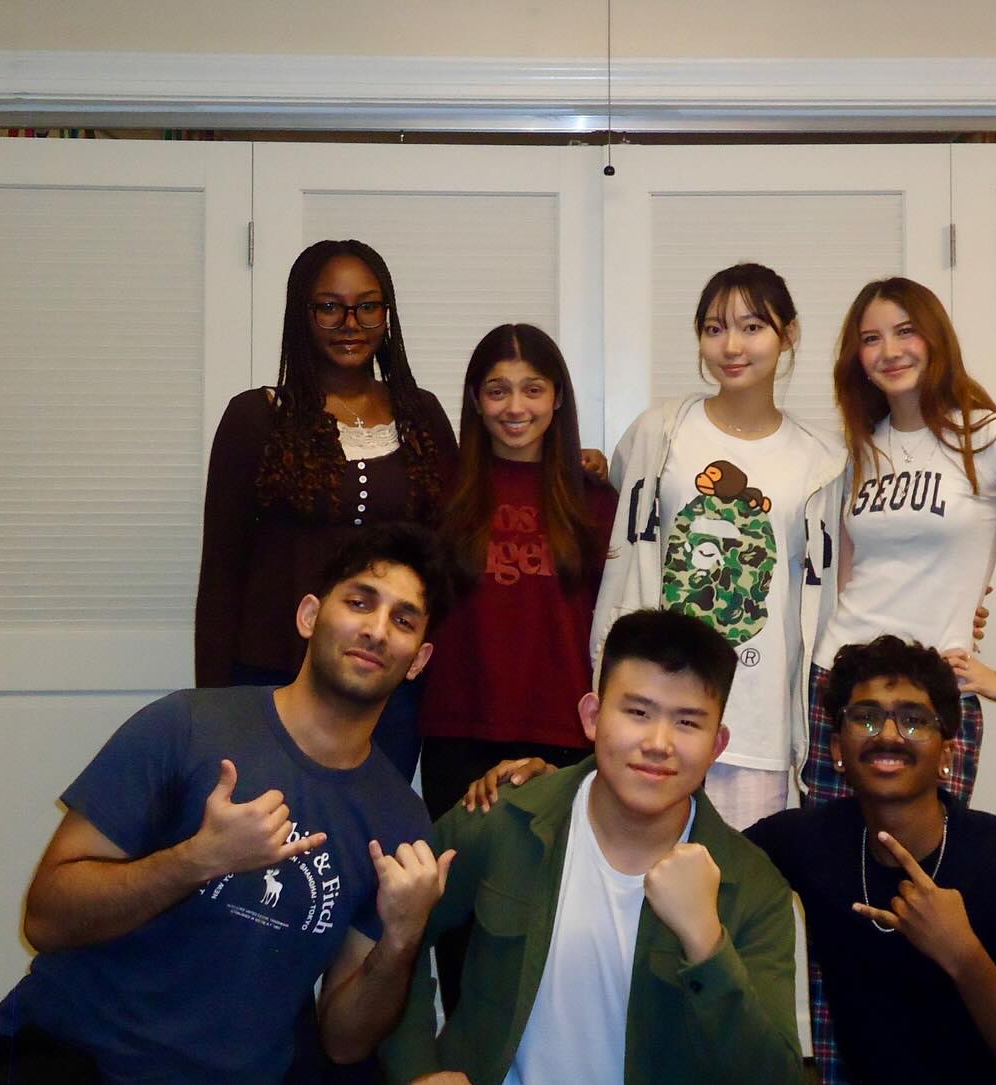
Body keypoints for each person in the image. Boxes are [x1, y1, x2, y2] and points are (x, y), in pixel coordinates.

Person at [0, 525, 457, 1085]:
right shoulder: (185, 726)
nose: (376, 631)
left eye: (403, 620)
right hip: (73, 1059)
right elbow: (46, 918)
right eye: (359, 602)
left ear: (419, 659)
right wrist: (197, 859)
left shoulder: (399, 822)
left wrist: (402, 935)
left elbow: (345, 1042)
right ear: (309, 616)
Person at [380, 608, 803, 1085]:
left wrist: (707, 942)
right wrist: (416, 1070)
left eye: (687, 723)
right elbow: (398, 928)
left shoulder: (752, 886)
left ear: (717, 744)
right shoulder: (507, 818)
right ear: (592, 717)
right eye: (638, 712)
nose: (659, 743)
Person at [809, 276, 996, 808]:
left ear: (935, 339)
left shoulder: (987, 437)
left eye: (905, 332)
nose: (890, 351)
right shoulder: (860, 449)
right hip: (841, 682)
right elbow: (850, 581)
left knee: (928, 865)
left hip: (935, 691)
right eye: (871, 338)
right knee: (830, 864)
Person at [747, 634, 996, 1085]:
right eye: (865, 719)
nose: (888, 735)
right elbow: (707, 856)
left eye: (914, 720)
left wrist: (963, 955)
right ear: (836, 752)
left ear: (947, 753)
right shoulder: (807, 841)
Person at [593, 263, 847, 829]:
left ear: (790, 334)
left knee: (742, 890)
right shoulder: (659, 431)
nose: (731, 346)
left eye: (752, 327)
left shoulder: (823, 458)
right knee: (645, 882)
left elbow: (843, 574)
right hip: (655, 709)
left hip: (758, 721)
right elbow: (617, 515)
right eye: (713, 328)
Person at [195, 239, 456, 780]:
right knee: (266, 837)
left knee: (370, 842)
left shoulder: (421, 415)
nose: (350, 322)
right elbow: (221, 573)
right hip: (272, 679)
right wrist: (212, 708)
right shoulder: (256, 418)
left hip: (386, 685)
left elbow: (452, 551)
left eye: (368, 305)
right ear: (302, 314)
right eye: (329, 306)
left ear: (387, 314)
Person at [418, 323, 617, 824]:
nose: (515, 407)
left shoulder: (594, 500)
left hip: (564, 731)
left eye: (533, 389)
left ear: (557, 399)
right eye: (497, 390)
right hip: (459, 726)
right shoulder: (439, 490)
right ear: (475, 400)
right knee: (458, 889)